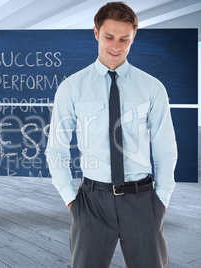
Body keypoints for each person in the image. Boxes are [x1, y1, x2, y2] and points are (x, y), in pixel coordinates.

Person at [45, 2, 177, 267]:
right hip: (92, 202)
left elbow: (164, 146)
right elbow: (56, 148)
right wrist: (72, 201)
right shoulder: (71, 88)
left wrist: (161, 200)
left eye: (124, 39)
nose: (116, 46)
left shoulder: (153, 88)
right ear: (96, 33)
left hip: (143, 202)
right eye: (109, 37)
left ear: (133, 38)